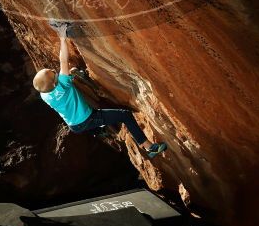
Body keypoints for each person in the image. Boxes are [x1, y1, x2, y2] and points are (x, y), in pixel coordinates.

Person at [32, 24, 168, 158]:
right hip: (88, 118)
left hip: (74, 126)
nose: (55, 71)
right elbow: (63, 61)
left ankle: (100, 131)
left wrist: (70, 75)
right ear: (56, 82)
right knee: (125, 115)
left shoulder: (45, 95)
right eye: (54, 73)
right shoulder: (63, 84)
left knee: (93, 121)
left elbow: (57, 78)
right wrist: (62, 38)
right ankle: (149, 147)